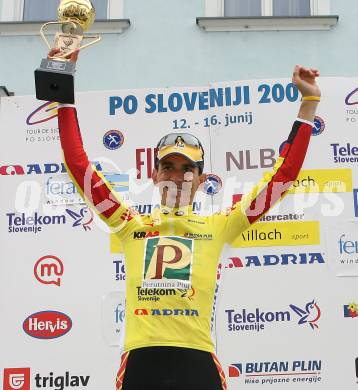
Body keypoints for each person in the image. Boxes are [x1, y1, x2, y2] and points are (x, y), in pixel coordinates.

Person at [52, 48, 320, 390]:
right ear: (153, 173)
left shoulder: (220, 224)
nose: (177, 177)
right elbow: (78, 166)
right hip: (142, 362)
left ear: (201, 177)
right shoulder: (129, 223)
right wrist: (61, 84)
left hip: (196, 362)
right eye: (168, 166)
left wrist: (309, 104)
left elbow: (282, 177)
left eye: (187, 169)